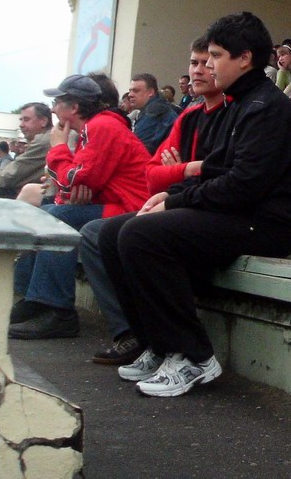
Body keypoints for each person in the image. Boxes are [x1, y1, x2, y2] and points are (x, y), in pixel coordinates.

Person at [97, 12, 291, 397]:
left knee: (140, 235)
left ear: (244, 59)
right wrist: (172, 196)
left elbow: (243, 186)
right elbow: (215, 170)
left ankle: (193, 356)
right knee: (112, 232)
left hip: (265, 224)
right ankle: (158, 344)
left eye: (215, 55)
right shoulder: (237, 104)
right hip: (235, 213)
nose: (208, 65)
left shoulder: (265, 108)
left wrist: (177, 202)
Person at [79, 37, 228, 365]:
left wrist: (179, 172)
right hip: (178, 201)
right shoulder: (189, 117)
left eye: (208, 62)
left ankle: (188, 352)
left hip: (212, 212)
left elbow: (221, 177)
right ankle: (147, 339)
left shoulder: (236, 113)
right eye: (194, 63)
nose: (199, 70)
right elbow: (152, 174)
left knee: (131, 232)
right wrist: (184, 169)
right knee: (103, 232)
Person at [8, 74, 150, 340]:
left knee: (57, 217)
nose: (52, 110)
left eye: (57, 103)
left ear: (74, 107)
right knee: (48, 213)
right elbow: (71, 186)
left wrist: (59, 149)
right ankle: (34, 299)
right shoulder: (92, 129)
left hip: (133, 209)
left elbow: (74, 180)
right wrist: (73, 183)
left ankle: (58, 311)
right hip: (115, 204)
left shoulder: (102, 126)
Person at [127, 73, 178, 154]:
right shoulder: (159, 109)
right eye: (130, 91)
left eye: (136, 91)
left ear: (151, 92)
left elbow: (139, 152)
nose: (130, 95)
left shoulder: (154, 114)